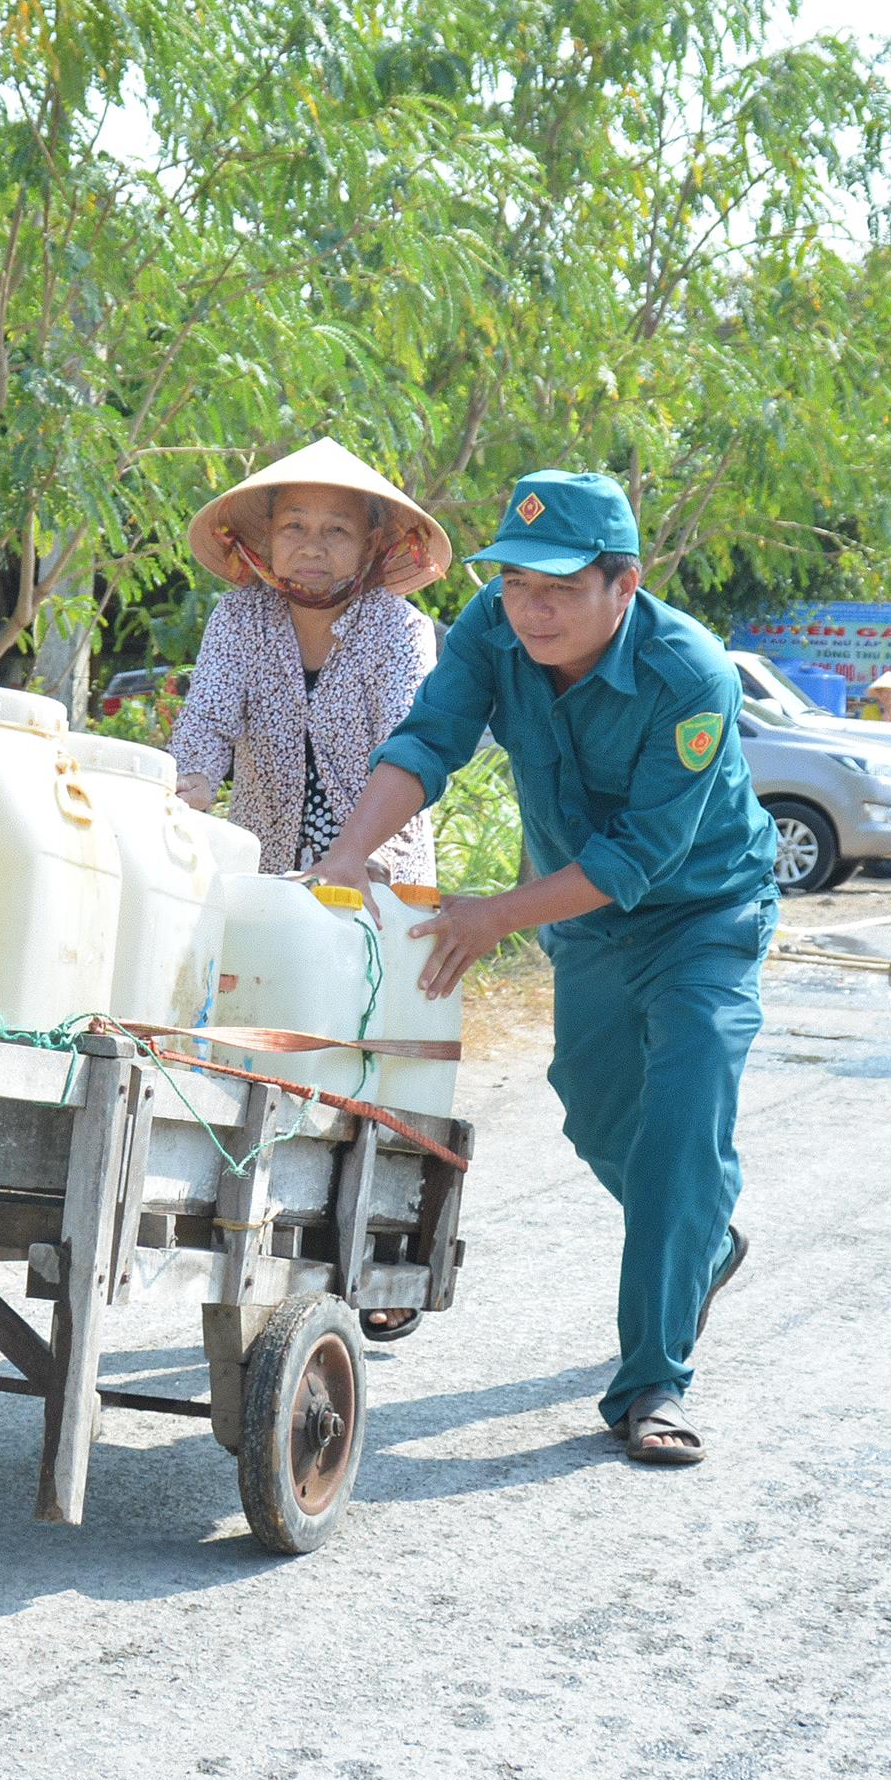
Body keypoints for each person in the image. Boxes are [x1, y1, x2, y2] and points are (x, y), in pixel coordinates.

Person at [305, 471, 775, 1468]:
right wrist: (347, 855)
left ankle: (652, 1383)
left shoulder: (691, 675)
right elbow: (430, 740)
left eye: (560, 587)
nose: (533, 608)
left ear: (624, 584)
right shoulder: (492, 627)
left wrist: (490, 918)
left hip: (703, 915)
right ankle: (701, 1239)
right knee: (595, 1117)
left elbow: (638, 857)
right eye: (517, 583)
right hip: (589, 928)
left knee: (679, 1130)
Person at [166, 439, 451, 881]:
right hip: (264, 878)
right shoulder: (240, 618)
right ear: (269, 534)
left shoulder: (398, 630)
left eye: (336, 530)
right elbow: (206, 719)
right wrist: (194, 780)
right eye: (294, 526)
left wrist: (368, 855)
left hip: (378, 876)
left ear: (371, 543)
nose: (312, 547)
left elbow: (407, 754)